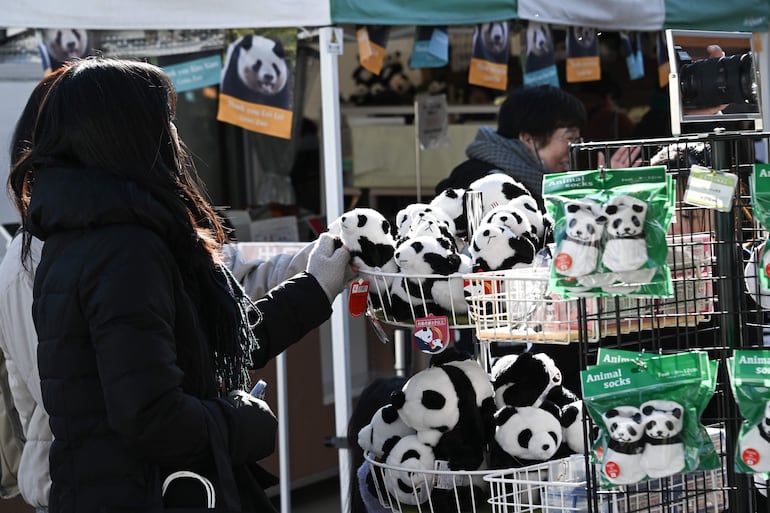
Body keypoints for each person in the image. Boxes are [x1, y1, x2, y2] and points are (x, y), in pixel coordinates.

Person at [7, 57, 354, 513]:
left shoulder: (77, 235)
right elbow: (152, 417)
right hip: (146, 494)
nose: (174, 137)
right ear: (128, 135)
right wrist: (245, 422)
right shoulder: (123, 247)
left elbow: (210, 345)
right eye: (165, 121)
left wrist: (314, 288)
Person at [435, 84, 642, 211]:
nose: (574, 150)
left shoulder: (533, 180)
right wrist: (602, 198)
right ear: (528, 139)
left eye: (577, 141)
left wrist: (603, 194)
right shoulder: (491, 184)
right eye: (569, 139)